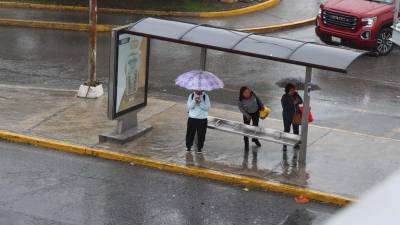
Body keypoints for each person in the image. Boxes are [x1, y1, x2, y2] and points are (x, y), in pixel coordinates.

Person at [238, 86, 263, 151]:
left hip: (256, 112)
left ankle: (255, 139)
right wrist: (247, 115)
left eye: (248, 92)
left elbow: (258, 99)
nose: (247, 93)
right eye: (245, 92)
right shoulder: (241, 100)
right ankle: (246, 143)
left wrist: (262, 106)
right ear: (242, 93)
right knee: (246, 129)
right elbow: (241, 108)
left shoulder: (253, 94)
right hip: (247, 114)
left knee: (255, 127)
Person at [281, 83, 303, 151]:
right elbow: (285, 107)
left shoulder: (296, 94)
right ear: (287, 91)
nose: (293, 91)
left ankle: (296, 144)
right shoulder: (284, 97)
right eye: (291, 90)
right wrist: (293, 103)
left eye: (293, 90)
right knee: (287, 130)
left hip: (296, 115)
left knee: (296, 130)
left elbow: (301, 101)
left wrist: (297, 101)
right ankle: (284, 145)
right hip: (287, 115)